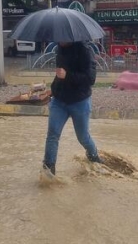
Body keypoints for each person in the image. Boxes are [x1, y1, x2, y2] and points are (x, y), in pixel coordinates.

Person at [42, 41, 103, 177]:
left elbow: (90, 79)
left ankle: (95, 159)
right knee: (52, 135)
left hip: (80, 102)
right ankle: (48, 170)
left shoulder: (86, 51)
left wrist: (67, 75)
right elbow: (59, 74)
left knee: (83, 137)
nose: (59, 40)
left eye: (62, 38)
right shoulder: (59, 48)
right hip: (59, 101)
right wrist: (52, 89)